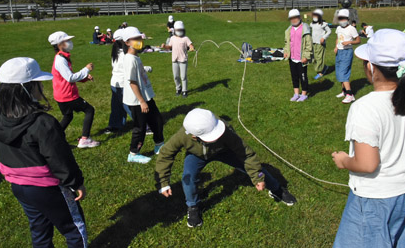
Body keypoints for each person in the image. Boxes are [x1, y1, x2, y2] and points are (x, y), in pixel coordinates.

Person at [332, 29, 405, 248]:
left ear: (371, 68)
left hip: (378, 197)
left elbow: (367, 164)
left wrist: (343, 160)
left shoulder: (365, 108)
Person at [0, 57, 88, 248]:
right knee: (74, 228)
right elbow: (60, 160)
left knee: (39, 230)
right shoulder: (43, 123)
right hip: (48, 188)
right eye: (37, 84)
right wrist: (76, 183)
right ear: (27, 88)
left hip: (19, 187)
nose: (40, 89)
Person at [155, 108, 297, 228]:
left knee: (257, 169)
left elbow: (246, 153)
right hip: (197, 155)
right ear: (193, 136)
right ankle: (193, 206)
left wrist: (257, 177)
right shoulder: (182, 135)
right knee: (188, 178)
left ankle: (277, 189)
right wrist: (163, 182)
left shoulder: (224, 129)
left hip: (224, 151)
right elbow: (165, 154)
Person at [48, 31, 100, 148]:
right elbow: (70, 78)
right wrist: (86, 69)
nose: (70, 43)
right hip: (67, 95)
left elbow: (67, 76)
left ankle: (53, 139)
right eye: (67, 41)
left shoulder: (62, 58)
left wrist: (84, 78)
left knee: (68, 116)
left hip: (60, 95)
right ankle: (85, 139)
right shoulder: (60, 60)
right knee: (89, 110)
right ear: (59, 44)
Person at [122, 26, 164, 164]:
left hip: (146, 96)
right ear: (127, 42)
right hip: (137, 100)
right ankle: (133, 153)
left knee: (156, 120)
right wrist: (141, 101)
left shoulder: (136, 57)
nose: (139, 40)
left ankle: (159, 145)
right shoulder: (129, 59)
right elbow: (132, 82)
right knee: (140, 127)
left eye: (140, 38)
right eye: (136, 39)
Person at [104, 29, 132, 134]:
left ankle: (116, 124)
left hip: (117, 83)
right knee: (127, 106)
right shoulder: (124, 54)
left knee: (118, 106)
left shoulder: (116, 52)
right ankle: (143, 124)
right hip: (121, 83)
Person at [283, 9, 313, 102]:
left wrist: (306, 56)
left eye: (295, 18)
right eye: (291, 18)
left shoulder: (305, 29)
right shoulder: (289, 30)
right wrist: (286, 51)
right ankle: (296, 93)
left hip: (302, 58)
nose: (293, 20)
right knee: (294, 76)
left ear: (299, 17)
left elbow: (309, 44)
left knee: (303, 76)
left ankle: (304, 94)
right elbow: (287, 43)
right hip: (292, 58)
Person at [161, 21, 195, 98]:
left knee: (183, 76)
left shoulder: (185, 38)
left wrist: (191, 48)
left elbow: (191, 45)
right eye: (178, 30)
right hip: (174, 60)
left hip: (183, 60)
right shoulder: (172, 38)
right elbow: (169, 47)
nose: (179, 32)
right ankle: (178, 88)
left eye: (181, 30)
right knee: (176, 76)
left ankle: (184, 91)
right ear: (175, 30)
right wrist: (164, 46)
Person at [334, 9, 361, 104]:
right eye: (340, 19)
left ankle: (350, 95)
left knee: (343, 72)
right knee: (339, 72)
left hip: (347, 52)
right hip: (339, 52)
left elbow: (358, 40)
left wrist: (350, 42)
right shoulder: (338, 28)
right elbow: (337, 38)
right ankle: (344, 91)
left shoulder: (351, 29)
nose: (341, 20)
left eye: (343, 18)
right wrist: (336, 47)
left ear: (347, 19)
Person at [310, 8, 331, 80]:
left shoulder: (323, 24)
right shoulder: (312, 24)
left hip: (320, 43)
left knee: (319, 58)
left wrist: (324, 38)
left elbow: (329, 31)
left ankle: (320, 72)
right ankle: (324, 67)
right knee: (314, 58)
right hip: (313, 42)